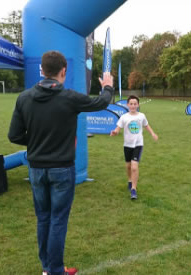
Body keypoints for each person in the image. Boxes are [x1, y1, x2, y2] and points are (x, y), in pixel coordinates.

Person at [8, 50, 114, 275]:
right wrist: (107, 85)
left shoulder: (24, 97)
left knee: (44, 218)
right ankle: (55, 270)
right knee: (57, 220)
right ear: (63, 71)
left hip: (36, 169)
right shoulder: (69, 97)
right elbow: (102, 102)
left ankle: (48, 267)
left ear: (42, 70)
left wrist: (35, 142)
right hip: (61, 170)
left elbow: (14, 136)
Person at [110, 95, 158, 200]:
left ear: (138, 105)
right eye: (131, 104)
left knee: (134, 167)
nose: (133, 106)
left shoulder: (141, 116)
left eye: (135, 104)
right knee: (128, 166)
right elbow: (118, 128)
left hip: (138, 144)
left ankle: (133, 189)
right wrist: (115, 132)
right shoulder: (124, 117)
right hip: (127, 145)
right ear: (127, 105)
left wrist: (152, 133)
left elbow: (146, 125)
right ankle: (130, 180)